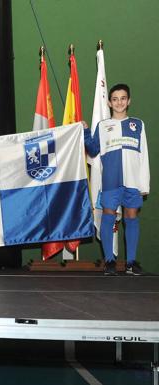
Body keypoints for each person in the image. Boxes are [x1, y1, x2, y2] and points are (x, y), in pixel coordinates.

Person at [84, 83, 149, 276]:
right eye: (115, 99)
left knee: (131, 217)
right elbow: (94, 150)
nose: (119, 102)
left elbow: (143, 154)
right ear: (109, 103)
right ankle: (110, 261)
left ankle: (130, 262)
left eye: (122, 98)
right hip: (111, 180)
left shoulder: (138, 124)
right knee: (108, 216)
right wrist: (87, 132)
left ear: (128, 101)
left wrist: (143, 184)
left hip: (132, 181)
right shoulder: (103, 126)